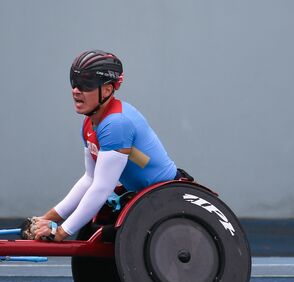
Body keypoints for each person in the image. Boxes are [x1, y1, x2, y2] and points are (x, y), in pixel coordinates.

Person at [32, 50, 190, 242]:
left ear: (107, 90)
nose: (76, 90)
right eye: (74, 82)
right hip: (141, 197)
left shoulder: (116, 124)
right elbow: (89, 179)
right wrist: (46, 219)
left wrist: (62, 231)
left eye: (86, 84)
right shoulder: (90, 123)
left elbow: (101, 188)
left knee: (104, 234)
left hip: (166, 199)